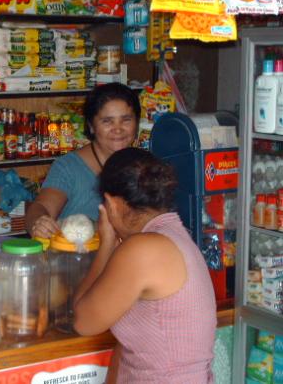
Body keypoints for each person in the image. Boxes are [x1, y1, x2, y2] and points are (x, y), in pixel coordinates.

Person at [73, 148, 216, 383]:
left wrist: (106, 244)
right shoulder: (174, 235)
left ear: (112, 204)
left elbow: (83, 321)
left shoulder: (143, 249)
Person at [25, 82, 141, 238]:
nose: (118, 129)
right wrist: (39, 222)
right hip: (74, 252)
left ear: (136, 123)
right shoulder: (68, 167)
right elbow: (40, 206)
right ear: (91, 126)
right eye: (107, 121)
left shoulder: (144, 166)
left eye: (126, 120)